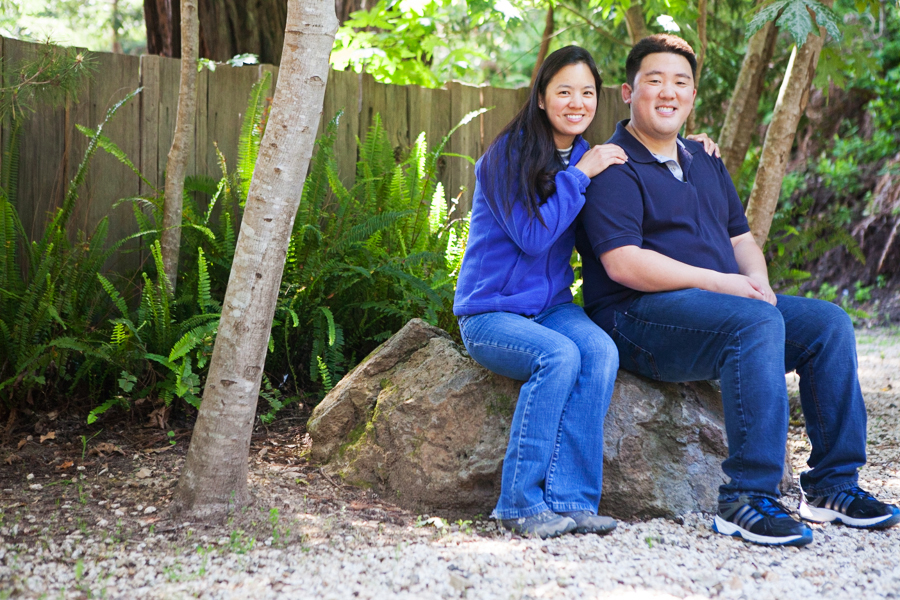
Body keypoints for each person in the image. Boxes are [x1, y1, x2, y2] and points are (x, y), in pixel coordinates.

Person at [576, 33, 900, 547]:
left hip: (719, 310)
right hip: (638, 320)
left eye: (680, 82)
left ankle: (832, 486)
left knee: (828, 324)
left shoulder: (704, 158)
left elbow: (742, 239)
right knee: (754, 321)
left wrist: (759, 286)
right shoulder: (611, 163)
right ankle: (745, 497)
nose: (668, 92)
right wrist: (726, 285)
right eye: (654, 80)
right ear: (627, 91)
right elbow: (623, 264)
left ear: (693, 96)